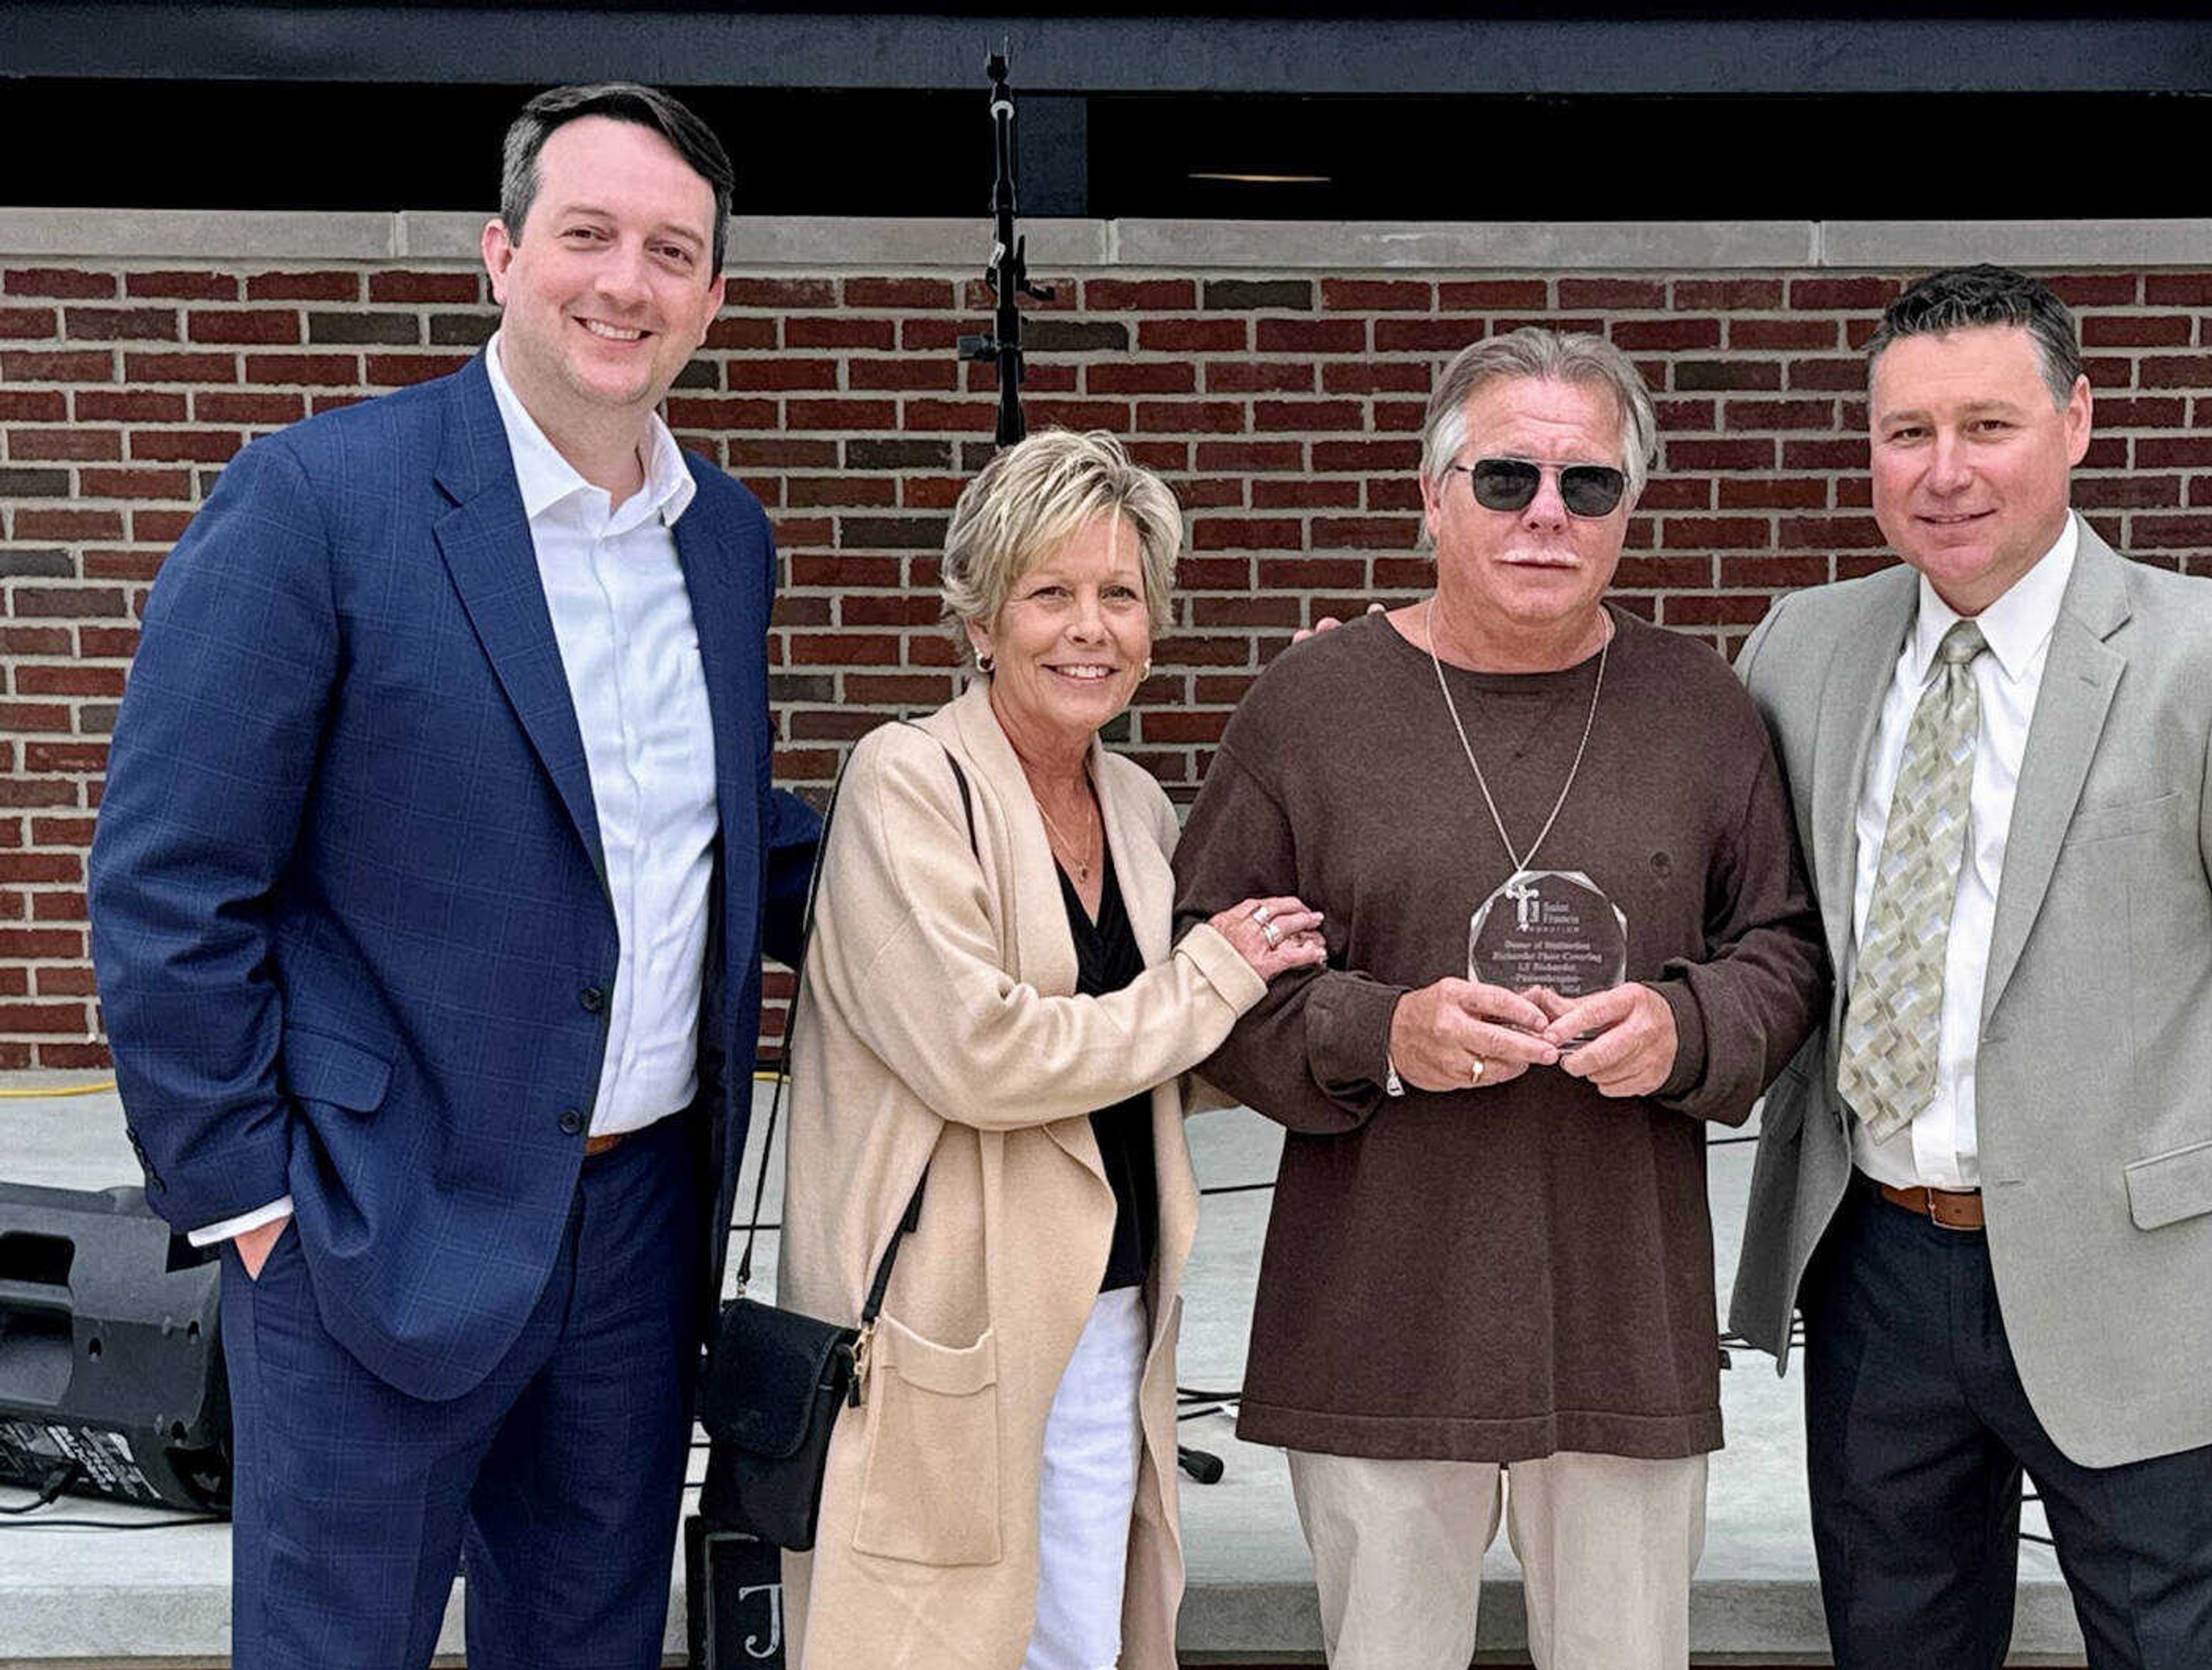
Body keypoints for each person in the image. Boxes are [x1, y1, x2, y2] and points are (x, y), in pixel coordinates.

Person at [88, 84, 820, 1669]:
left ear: (712, 297)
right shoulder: (319, 503)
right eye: (588, 235)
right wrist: (249, 1201)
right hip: (371, 1228)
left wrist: (1012, 842)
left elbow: (715, 828)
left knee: (590, 1648)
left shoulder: (725, 542)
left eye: (670, 250)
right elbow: (168, 883)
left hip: (636, 1231)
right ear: (501, 255)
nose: (625, 281)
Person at [1727, 264, 2212, 1669]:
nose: (1944, 472)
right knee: (1896, 1645)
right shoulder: (1804, 648)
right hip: (1875, 1260)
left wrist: (2181, 1161)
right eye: (1908, 433)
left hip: (2131, 1268)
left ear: (2077, 421)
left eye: (1989, 426)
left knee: (2174, 1650)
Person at [1171, 328, 1830, 1670]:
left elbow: (1787, 949)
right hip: (1381, 1311)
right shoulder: (1311, 706)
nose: (1547, 513)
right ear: (1432, 493)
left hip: (1621, 1316)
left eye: (1588, 485)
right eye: (1506, 478)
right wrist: (1382, 1033)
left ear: (1629, 507)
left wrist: (1688, 1029)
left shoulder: (1705, 709)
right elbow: (1205, 974)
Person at [777, 427, 1326, 1670]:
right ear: (980, 621)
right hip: (947, 1319)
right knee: (933, 1644)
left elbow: (1162, 1047)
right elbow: (983, 1050)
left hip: (1112, 1308)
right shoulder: (904, 783)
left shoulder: (1134, 803)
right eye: (1052, 593)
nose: (1092, 627)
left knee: (1081, 1641)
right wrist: (1215, 976)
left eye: (1121, 595)